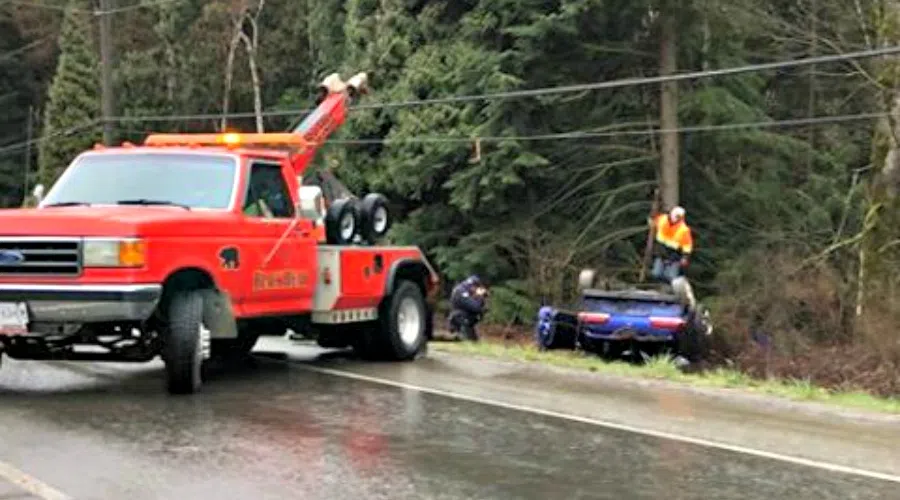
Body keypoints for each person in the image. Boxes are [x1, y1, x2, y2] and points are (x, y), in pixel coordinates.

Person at [650, 205, 693, 283]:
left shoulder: (684, 229)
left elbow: (687, 245)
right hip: (661, 251)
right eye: (675, 215)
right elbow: (653, 220)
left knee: (671, 277)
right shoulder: (662, 219)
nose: (675, 218)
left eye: (678, 216)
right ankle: (662, 284)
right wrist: (653, 214)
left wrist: (685, 257)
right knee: (656, 274)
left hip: (674, 255)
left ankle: (672, 285)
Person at [448, 275, 488, 341]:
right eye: (476, 287)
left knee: (473, 341)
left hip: (465, 320)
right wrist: (479, 297)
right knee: (468, 341)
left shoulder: (465, 291)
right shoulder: (461, 291)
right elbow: (475, 308)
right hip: (461, 321)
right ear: (473, 285)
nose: (476, 290)